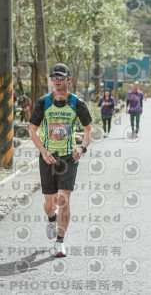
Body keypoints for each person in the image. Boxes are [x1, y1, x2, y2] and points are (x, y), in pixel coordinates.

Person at [28, 63, 92, 258]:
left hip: (68, 158)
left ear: (68, 79)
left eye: (61, 77)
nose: (57, 80)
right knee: (50, 204)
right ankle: (51, 218)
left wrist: (82, 148)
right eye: (54, 77)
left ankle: (60, 242)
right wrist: (43, 151)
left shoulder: (77, 103)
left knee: (63, 199)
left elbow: (89, 129)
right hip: (48, 158)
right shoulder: (44, 102)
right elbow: (32, 129)